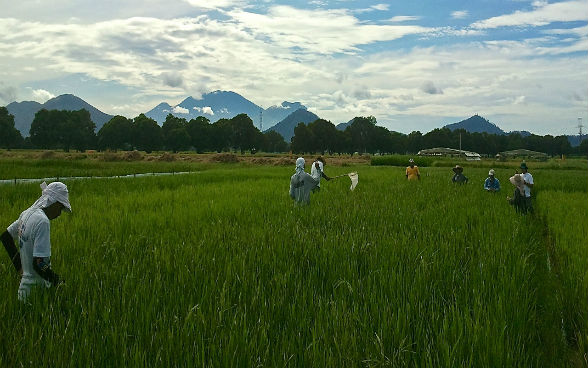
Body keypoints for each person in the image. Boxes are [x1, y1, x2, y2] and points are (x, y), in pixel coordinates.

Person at [1, 181, 71, 301]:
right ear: (53, 202)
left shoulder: (27, 213)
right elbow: (39, 263)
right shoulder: (42, 221)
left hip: (23, 293)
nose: (60, 213)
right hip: (36, 293)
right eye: (60, 208)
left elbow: (5, 237)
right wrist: (57, 281)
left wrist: (19, 267)